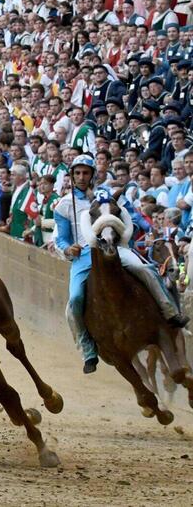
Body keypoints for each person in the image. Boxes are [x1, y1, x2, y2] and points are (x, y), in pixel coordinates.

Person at [54, 156, 188, 375]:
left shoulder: (105, 195)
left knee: (145, 269)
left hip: (117, 250)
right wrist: (68, 249)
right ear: (71, 175)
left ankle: (169, 311)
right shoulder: (64, 205)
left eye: (85, 173)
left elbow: (132, 215)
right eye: (77, 173)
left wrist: (148, 227)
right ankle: (87, 347)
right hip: (84, 257)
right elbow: (61, 238)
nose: (81, 177)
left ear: (92, 175)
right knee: (75, 299)